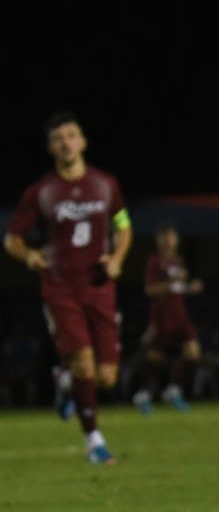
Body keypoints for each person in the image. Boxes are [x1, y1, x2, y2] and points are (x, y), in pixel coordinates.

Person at [4, 111, 133, 464]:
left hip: (100, 287)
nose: (66, 142)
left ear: (83, 141)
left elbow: (124, 226)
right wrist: (29, 256)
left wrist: (118, 258)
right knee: (85, 364)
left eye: (72, 135)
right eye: (59, 138)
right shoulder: (41, 192)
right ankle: (94, 441)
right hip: (61, 288)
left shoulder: (106, 184)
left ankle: (65, 384)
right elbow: (12, 239)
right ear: (50, 147)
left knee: (106, 376)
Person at [132, 221, 204, 413]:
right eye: (167, 237)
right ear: (160, 240)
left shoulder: (178, 260)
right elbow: (150, 290)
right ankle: (142, 394)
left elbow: (175, 289)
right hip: (163, 316)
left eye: (173, 237)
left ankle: (173, 389)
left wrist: (189, 288)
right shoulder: (154, 262)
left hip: (180, 315)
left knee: (193, 352)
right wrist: (173, 280)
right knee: (156, 358)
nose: (171, 241)